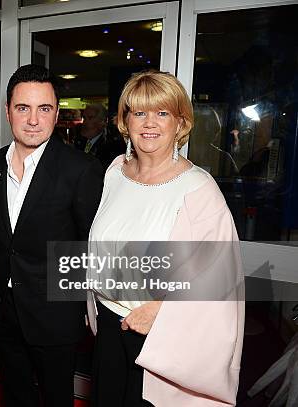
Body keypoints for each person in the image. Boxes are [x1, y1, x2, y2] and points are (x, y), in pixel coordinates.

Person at [86, 70, 244, 406]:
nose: (149, 123)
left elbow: (221, 281)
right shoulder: (115, 171)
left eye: (162, 113)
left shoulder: (198, 190)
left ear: (181, 122)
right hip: (109, 327)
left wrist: (162, 310)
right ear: (124, 121)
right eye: (139, 113)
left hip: (160, 337)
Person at [0, 64, 103, 406]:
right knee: (15, 394)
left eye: (44, 109)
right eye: (23, 108)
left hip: (54, 315)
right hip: (5, 311)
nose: (33, 120)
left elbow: (89, 244)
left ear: (56, 113)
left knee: (55, 398)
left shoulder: (80, 169)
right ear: (7, 112)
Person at [73, 103, 125, 170]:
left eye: (90, 118)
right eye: (84, 118)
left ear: (102, 122)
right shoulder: (79, 142)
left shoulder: (111, 148)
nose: (85, 122)